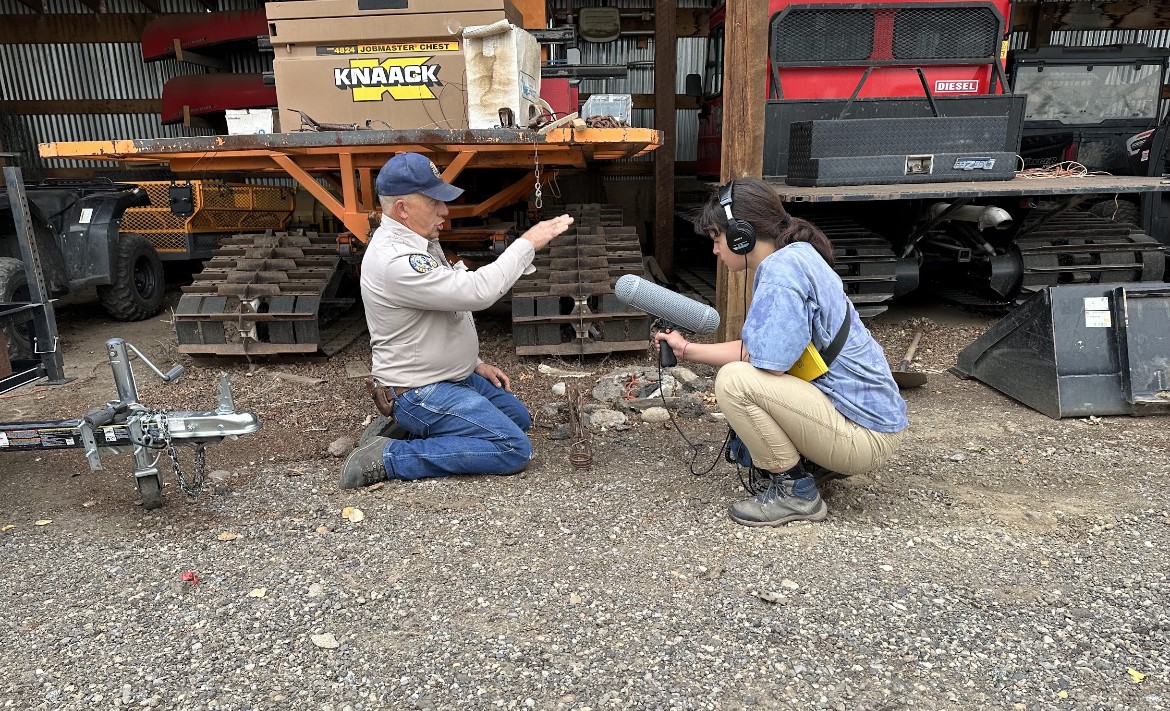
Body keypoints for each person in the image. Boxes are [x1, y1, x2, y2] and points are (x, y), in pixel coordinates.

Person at [655, 177, 908, 526]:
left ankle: (796, 494)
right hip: (872, 424)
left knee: (734, 382)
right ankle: (817, 463)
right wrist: (687, 350)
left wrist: (690, 351)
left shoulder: (780, 272)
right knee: (743, 375)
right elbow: (759, 350)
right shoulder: (799, 254)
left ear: (740, 235)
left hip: (863, 437)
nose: (714, 250)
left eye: (716, 238)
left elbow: (766, 365)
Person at [340, 152, 573, 488]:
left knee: (518, 418)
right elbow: (476, 292)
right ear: (402, 209)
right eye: (434, 202)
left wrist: (473, 362)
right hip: (420, 389)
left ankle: (411, 428)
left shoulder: (418, 242)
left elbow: (441, 310)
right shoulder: (396, 259)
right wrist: (527, 244)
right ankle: (388, 457)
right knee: (512, 448)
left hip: (448, 377)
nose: (445, 211)